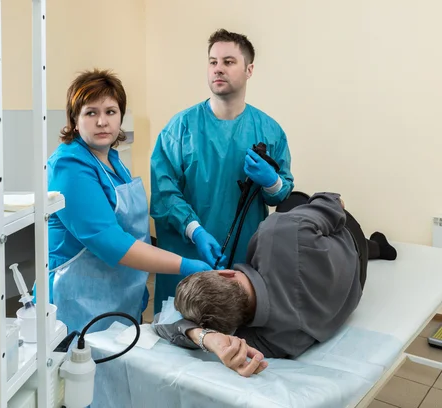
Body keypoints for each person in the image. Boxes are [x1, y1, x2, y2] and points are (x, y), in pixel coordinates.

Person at [42, 69, 212, 334]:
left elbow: (133, 231)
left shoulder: (113, 160)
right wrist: (184, 265)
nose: (102, 121)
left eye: (110, 112)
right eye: (91, 113)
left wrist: (135, 286)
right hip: (75, 303)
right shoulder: (69, 165)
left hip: (114, 297)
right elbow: (110, 241)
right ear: (75, 120)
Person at [153, 192, 397, 376]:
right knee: (294, 200)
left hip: (355, 285)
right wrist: (323, 201)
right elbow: (333, 203)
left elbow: (163, 327)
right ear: (226, 274)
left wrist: (203, 336)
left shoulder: (266, 342)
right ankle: (376, 246)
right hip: (350, 244)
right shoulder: (278, 232)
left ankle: (376, 246)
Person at [150, 28, 295, 313]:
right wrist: (196, 231)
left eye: (228, 62)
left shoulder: (269, 131)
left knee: (236, 336)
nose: (218, 69)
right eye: (213, 61)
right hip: (186, 254)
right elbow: (164, 194)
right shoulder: (179, 129)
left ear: (249, 69)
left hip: (243, 260)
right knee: (181, 330)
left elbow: (281, 196)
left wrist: (272, 183)